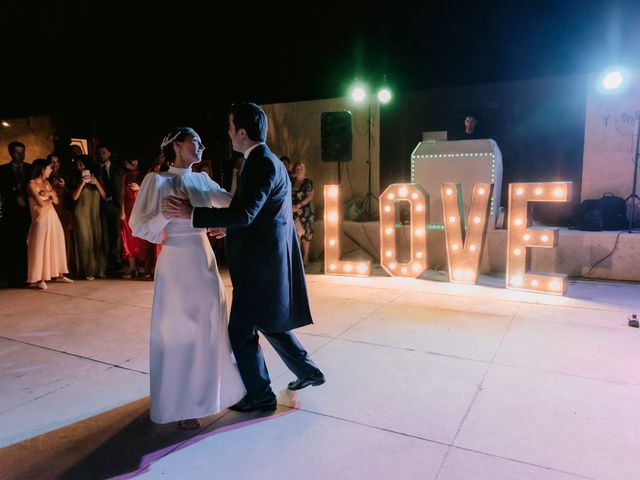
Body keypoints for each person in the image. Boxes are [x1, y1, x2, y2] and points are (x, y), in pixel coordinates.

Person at [163, 103, 325, 413]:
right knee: (269, 323)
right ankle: (307, 372)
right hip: (264, 262)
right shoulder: (266, 160)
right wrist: (230, 226)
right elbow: (258, 214)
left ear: (241, 132)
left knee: (240, 332)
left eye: (229, 127)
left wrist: (192, 213)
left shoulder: (260, 163)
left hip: (258, 267)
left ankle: (261, 395)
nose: (227, 134)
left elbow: (246, 213)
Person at [130, 127, 245, 429]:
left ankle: (207, 394)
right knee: (179, 332)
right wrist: (167, 216)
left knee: (208, 327)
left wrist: (227, 225)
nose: (202, 146)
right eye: (196, 141)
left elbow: (233, 204)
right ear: (178, 145)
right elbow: (139, 227)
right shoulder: (156, 181)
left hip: (203, 260)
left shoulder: (202, 180)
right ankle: (181, 404)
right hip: (175, 261)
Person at [26, 158, 73, 289]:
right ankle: (39, 278)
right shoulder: (31, 184)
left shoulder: (47, 182)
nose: (51, 170)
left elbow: (56, 201)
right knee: (40, 246)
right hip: (40, 218)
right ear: (42, 169)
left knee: (56, 243)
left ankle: (60, 274)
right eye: (48, 168)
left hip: (52, 216)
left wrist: (51, 194)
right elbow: (40, 203)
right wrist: (51, 196)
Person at [0, 141, 32, 286]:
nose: (21, 155)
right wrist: (13, 188)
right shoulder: (2, 170)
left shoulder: (30, 168)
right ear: (11, 153)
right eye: (17, 152)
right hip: (11, 213)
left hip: (29, 211)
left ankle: (30, 274)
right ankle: (15, 277)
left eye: (22, 152)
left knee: (29, 244)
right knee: (14, 244)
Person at [291, 161, 314, 265]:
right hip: (293, 211)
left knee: (306, 235)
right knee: (296, 235)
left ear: (304, 170)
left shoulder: (308, 182)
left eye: (301, 168)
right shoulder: (291, 181)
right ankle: (298, 258)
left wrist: (298, 205)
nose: (299, 170)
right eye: (297, 168)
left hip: (305, 212)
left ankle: (306, 258)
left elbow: (310, 197)